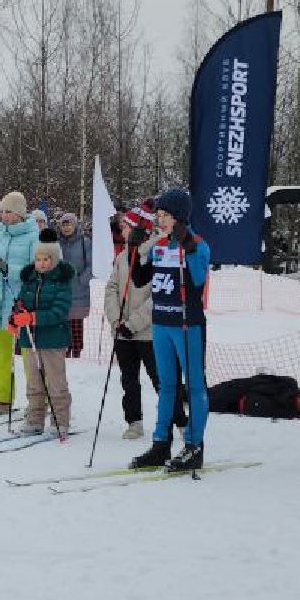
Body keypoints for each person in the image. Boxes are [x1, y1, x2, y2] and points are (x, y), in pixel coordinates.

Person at [129, 189, 212, 473]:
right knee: (166, 386)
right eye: (158, 215)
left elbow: (198, 280)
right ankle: (160, 443)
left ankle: (194, 445)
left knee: (195, 385)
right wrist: (134, 248)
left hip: (187, 325)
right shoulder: (159, 245)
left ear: (178, 217)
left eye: (164, 215)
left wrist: (185, 245)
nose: (159, 220)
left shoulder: (197, 245)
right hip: (162, 323)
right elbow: (140, 280)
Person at [105, 208, 184, 441]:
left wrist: (133, 324)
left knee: (162, 380)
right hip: (122, 333)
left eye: (127, 227)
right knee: (129, 380)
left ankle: (180, 421)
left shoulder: (158, 254)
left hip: (148, 333)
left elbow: (158, 296)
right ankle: (134, 421)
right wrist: (116, 320)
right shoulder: (122, 256)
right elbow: (111, 288)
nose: (123, 231)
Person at [10, 228, 74, 436]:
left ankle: (60, 420)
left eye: (46, 259)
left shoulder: (61, 282)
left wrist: (33, 317)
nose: (41, 263)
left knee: (56, 383)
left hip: (53, 340)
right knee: (34, 383)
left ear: (54, 259)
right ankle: (34, 419)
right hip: (29, 339)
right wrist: (15, 319)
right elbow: (20, 303)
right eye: (38, 259)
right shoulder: (29, 280)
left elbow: (59, 311)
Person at [0, 191, 38, 415]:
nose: (3, 216)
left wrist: (9, 270)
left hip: (20, 305)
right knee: (2, 356)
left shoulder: (33, 236)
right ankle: (4, 398)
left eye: (8, 212)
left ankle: (36, 400)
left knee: (28, 357)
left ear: (19, 214)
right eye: (1, 211)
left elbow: (35, 271)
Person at [56, 212, 94, 358]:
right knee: (62, 322)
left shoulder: (85, 242)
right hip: (60, 290)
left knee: (76, 324)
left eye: (69, 224)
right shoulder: (57, 243)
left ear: (75, 225)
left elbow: (91, 265)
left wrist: (81, 280)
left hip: (79, 290)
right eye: (63, 225)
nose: (66, 228)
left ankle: (77, 352)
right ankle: (65, 351)